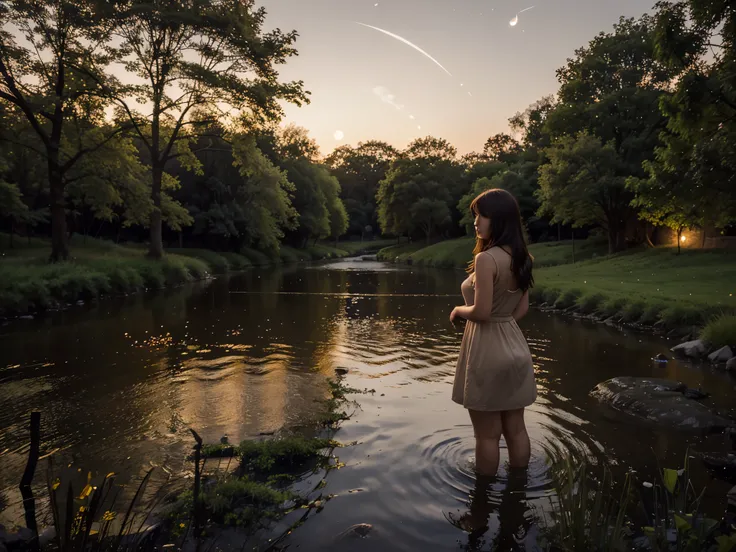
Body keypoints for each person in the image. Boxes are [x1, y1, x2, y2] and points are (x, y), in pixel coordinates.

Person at [449, 188, 536, 477]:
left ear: (498, 219)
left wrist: (457, 311)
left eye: (481, 216)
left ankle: (482, 499)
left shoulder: (486, 260)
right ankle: (518, 488)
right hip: (515, 346)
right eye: (475, 216)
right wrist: (503, 324)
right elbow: (521, 309)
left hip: (487, 350)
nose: (476, 222)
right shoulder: (524, 257)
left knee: (486, 436)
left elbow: (481, 311)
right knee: (516, 429)